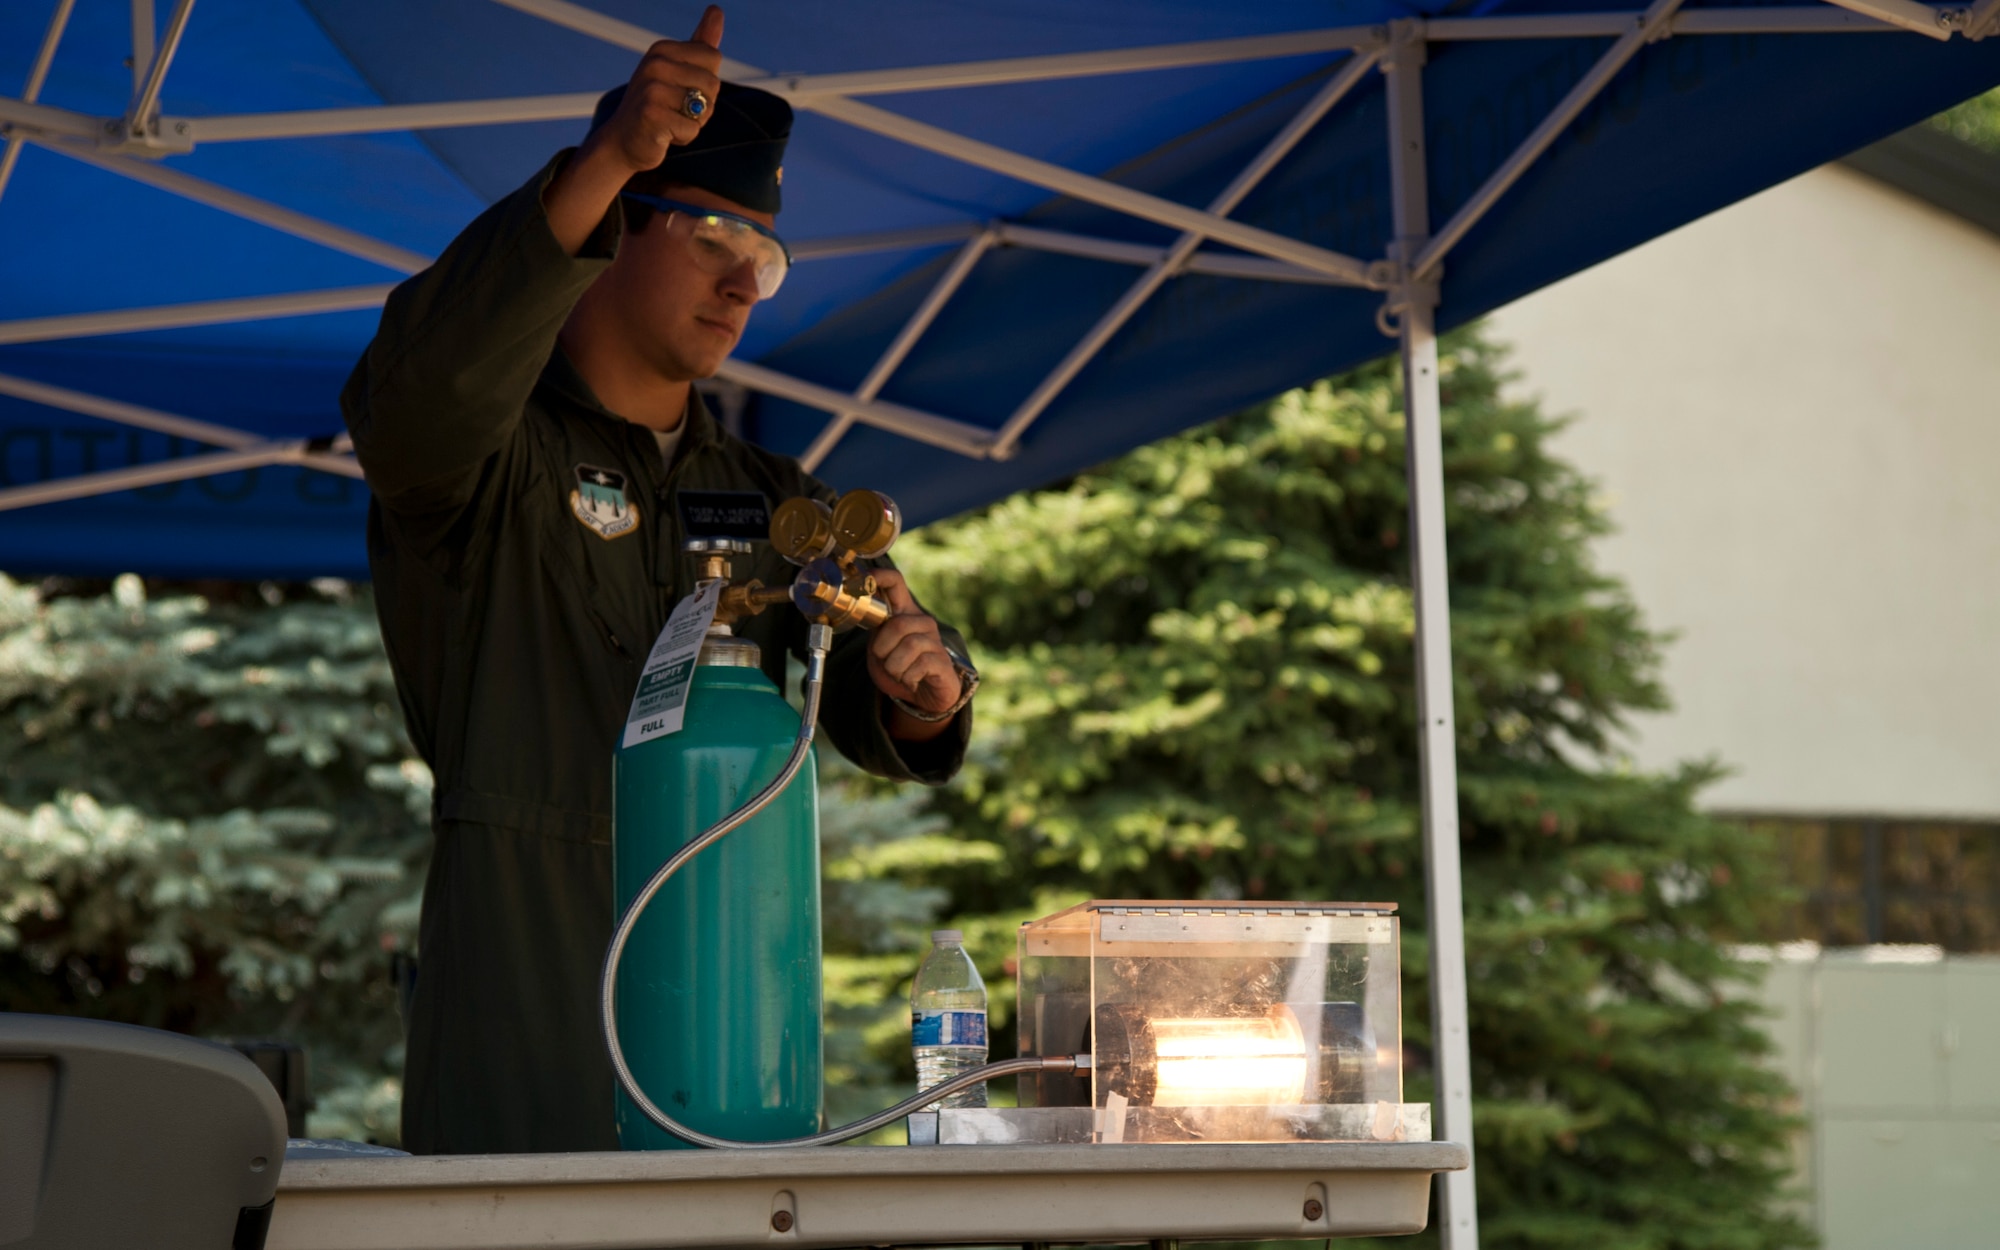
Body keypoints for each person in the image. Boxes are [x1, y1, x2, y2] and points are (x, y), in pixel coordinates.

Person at [341, 5, 976, 1155]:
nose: (742, 285)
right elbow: (412, 399)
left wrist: (922, 681)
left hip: (733, 977)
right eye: (711, 239)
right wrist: (606, 160)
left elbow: (886, 690)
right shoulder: (497, 454)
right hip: (527, 974)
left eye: (765, 260)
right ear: (613, 229)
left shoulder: (780, 496)